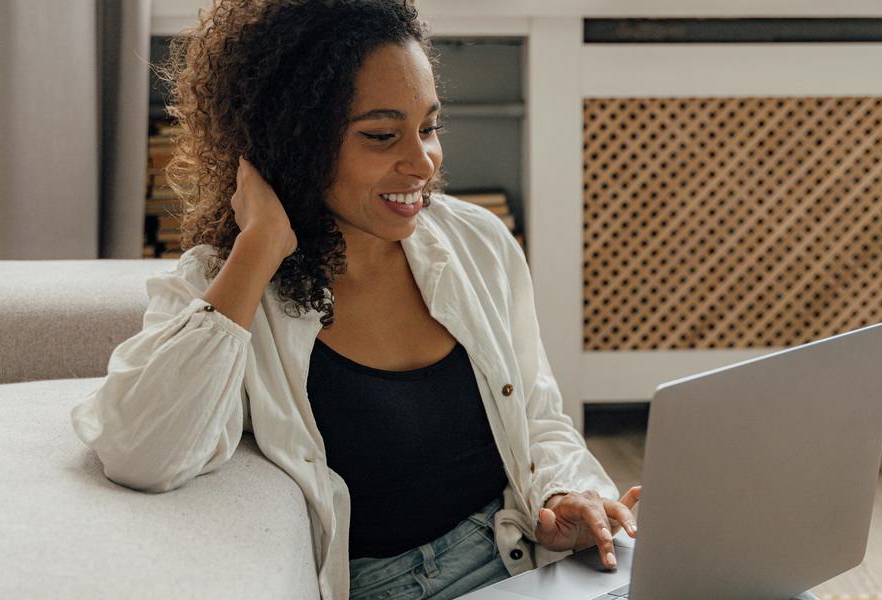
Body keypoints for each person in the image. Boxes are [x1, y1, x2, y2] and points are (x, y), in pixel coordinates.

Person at [70, 1, 641, 598]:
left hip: (523, 556)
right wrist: (260, 247)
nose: (423, 162)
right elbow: (141, 452)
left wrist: (564, 494)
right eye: (381, 135)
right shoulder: (224, 287)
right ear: (293, 140)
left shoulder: (479, 242)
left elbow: (540, 416)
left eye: (429, 127)